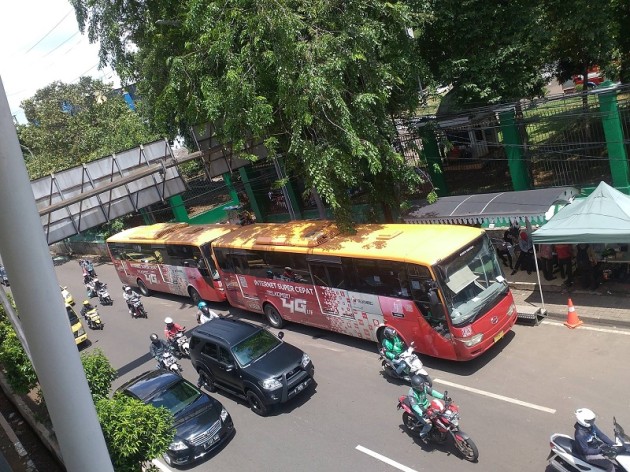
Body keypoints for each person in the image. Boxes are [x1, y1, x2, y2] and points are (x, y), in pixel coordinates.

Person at [407, 375, 449, 443]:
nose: (422, 387)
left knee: (441, 414)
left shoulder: (424, 387)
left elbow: (432, 392)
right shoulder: (412, 394)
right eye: (420, 387)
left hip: (426, 405)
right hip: (419, 410)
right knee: (428, 424)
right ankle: (423, 434)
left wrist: (443, 397)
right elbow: (415, 406)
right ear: (415, 387)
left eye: (422, 385)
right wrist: (422, 414)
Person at [573, 408, 616, 472]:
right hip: (587, 455)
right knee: (610, 465)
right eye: (590, 420)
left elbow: (601, 435)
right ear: (583, 421)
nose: (592, 422)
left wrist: (614, 444)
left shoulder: (591, 426)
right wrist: (601, 451)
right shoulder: (580, 435)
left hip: (595, 447)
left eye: (593, 420)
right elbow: (585, 451)